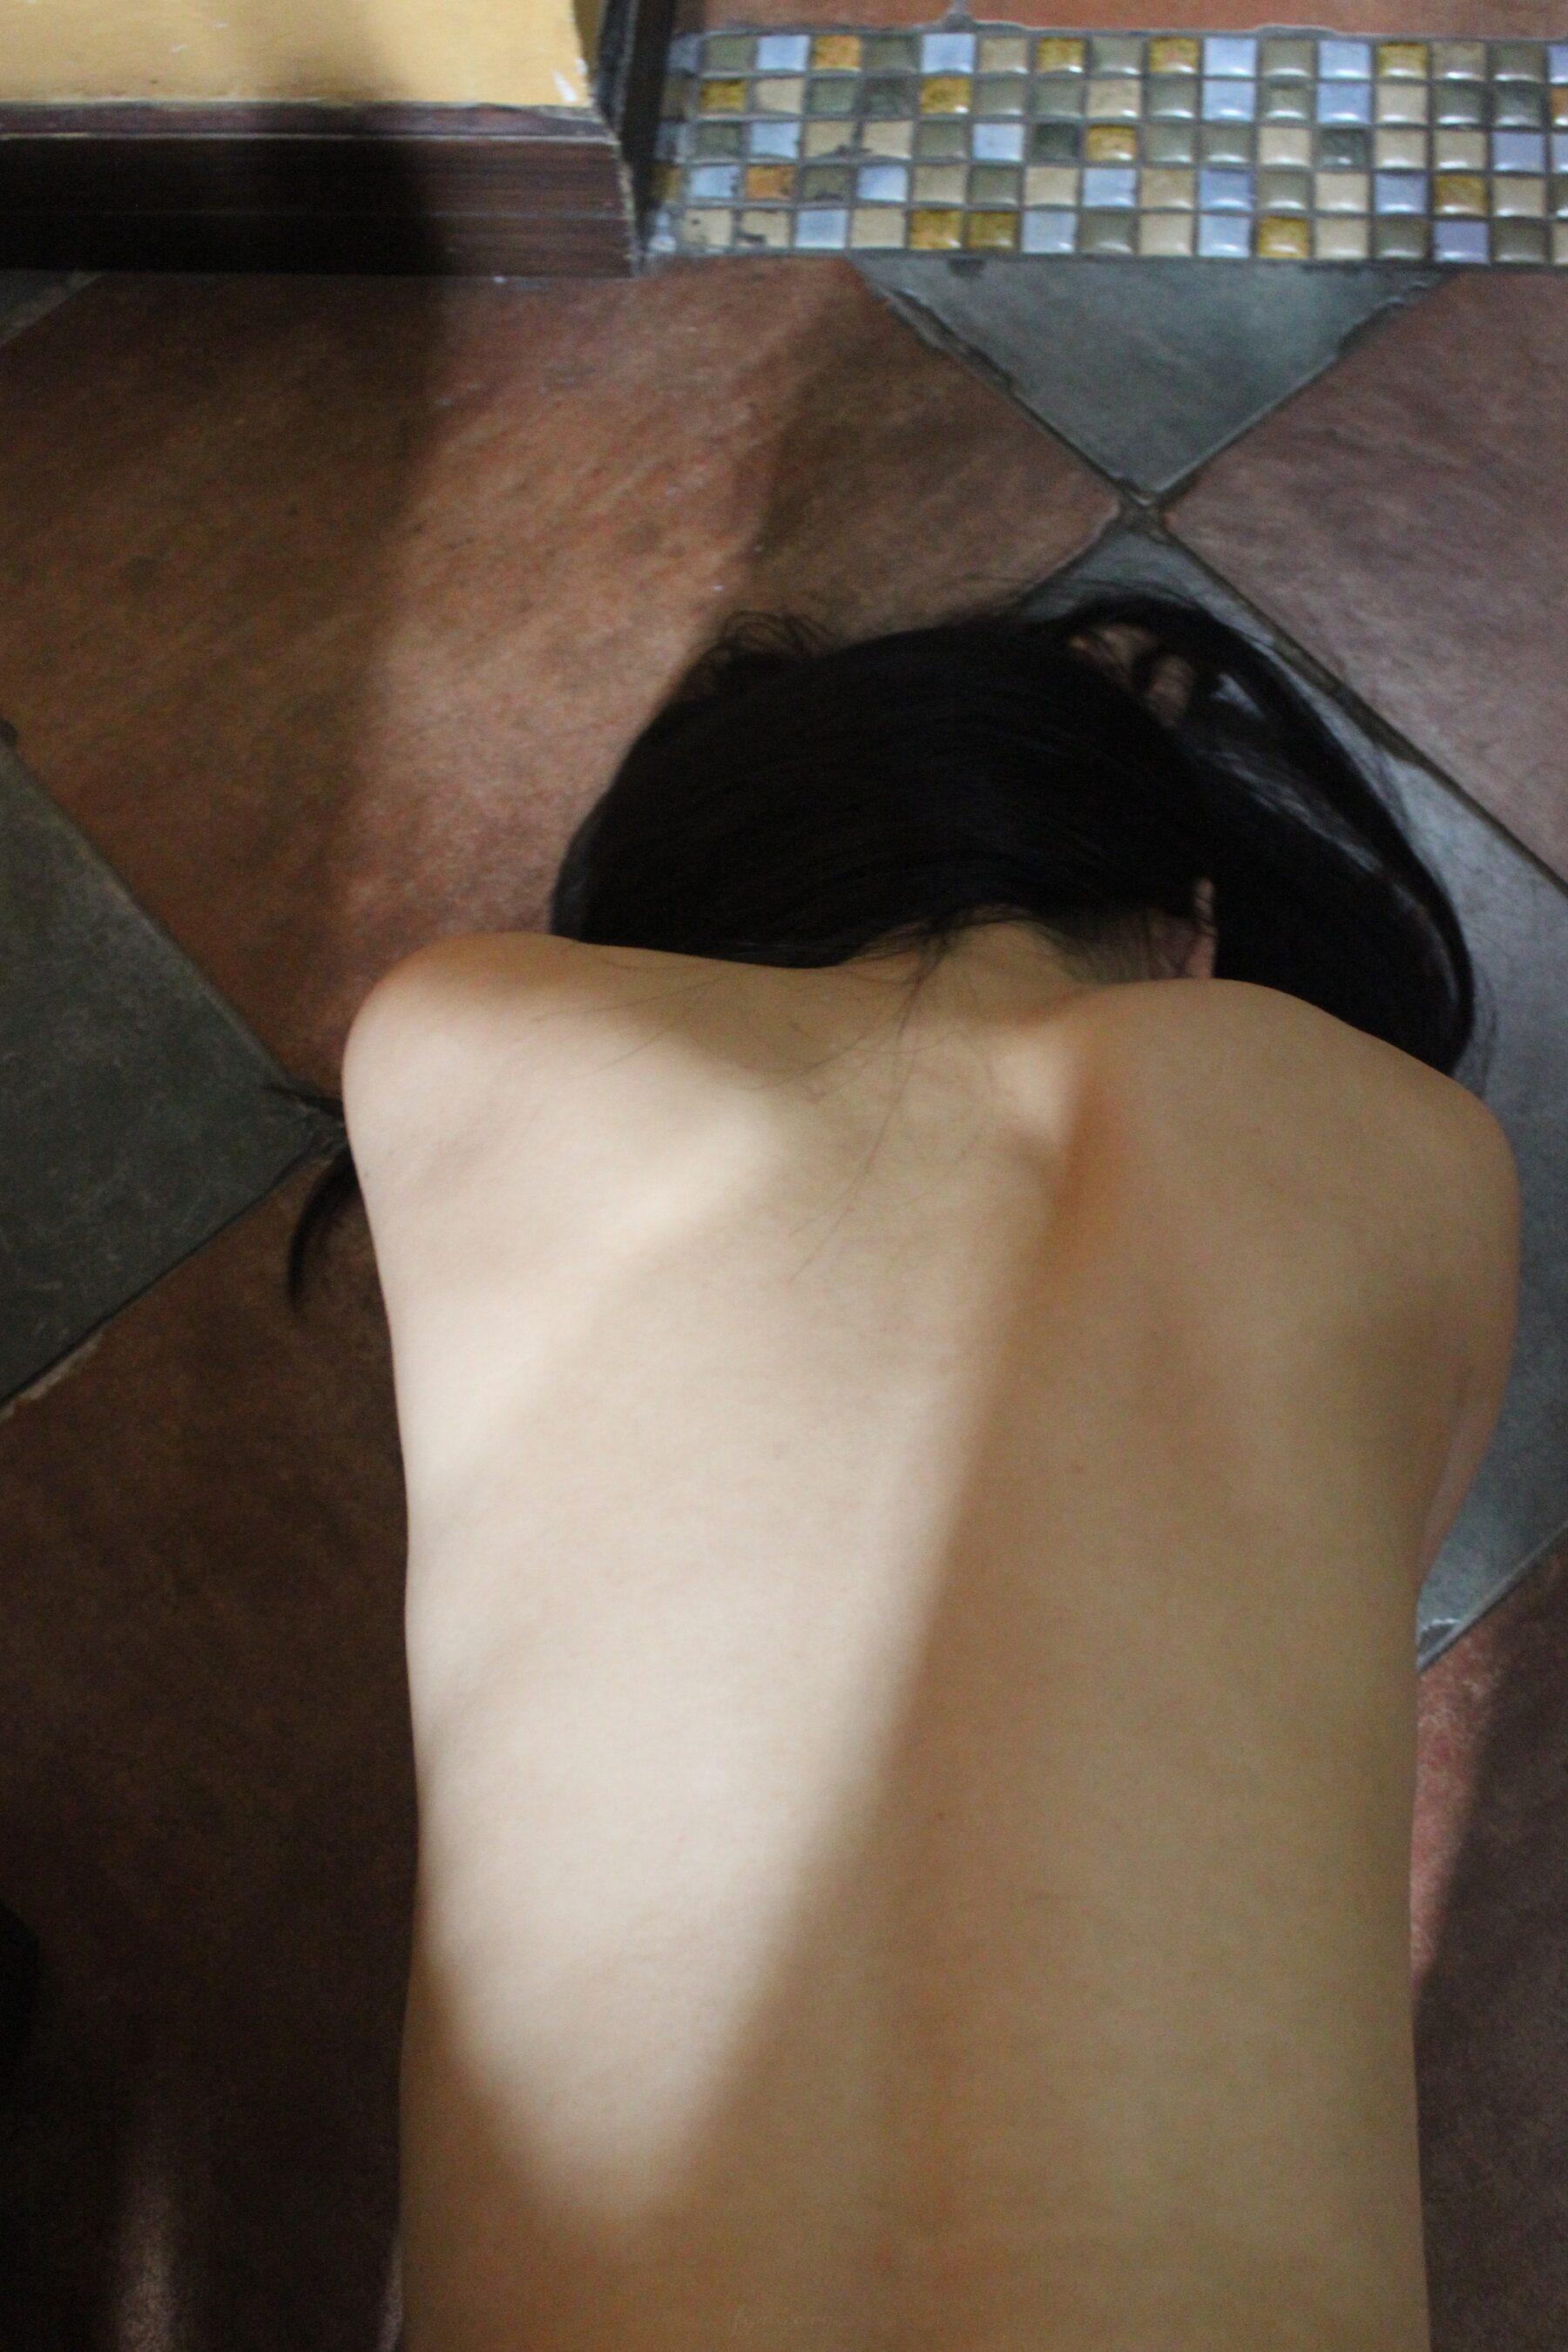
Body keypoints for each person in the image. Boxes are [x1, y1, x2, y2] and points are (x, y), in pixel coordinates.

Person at [287, 588, 1521, 2351]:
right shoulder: (1414, 1148)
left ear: (679, 936)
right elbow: (1363, 1551)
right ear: (1193, 932)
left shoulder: (458, 1037)